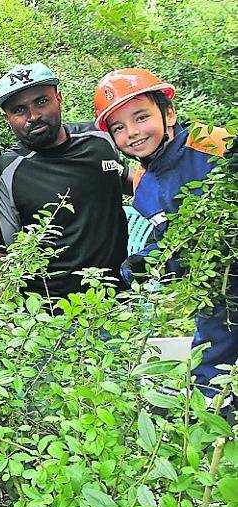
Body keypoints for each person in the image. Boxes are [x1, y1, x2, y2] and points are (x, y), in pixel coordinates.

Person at [95, 68, 236, 405]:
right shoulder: (143, 185)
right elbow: (174, 242)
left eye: (141, 117)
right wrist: (151, 258)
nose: (132, 132)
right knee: (209, 375)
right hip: (217, 296)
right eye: (119, 128)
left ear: (168, 112)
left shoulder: (210, 140)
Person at [0, 63, 130, 298]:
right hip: (50, 315)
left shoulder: (99, 139)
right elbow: (2, 255)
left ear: (58, 98)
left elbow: (125, 177)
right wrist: (8, 316)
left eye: (41, 102)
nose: (33, 116)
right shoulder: (9, 171)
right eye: (19, 110)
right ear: (7, 118)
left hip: (117, 304)